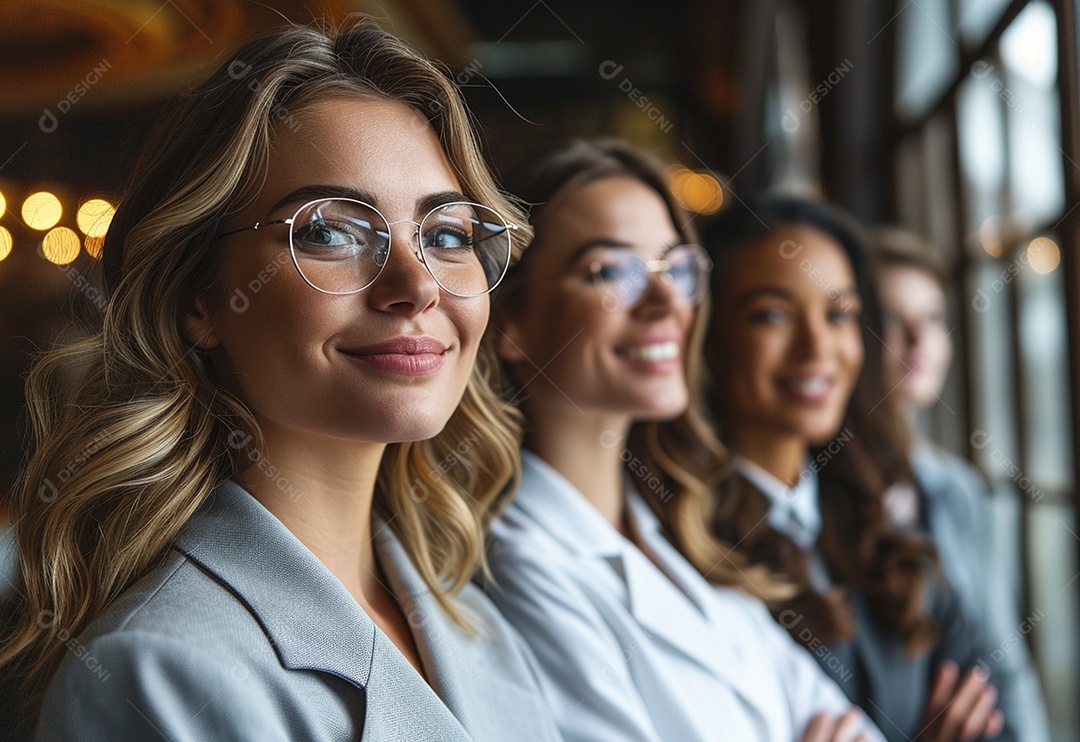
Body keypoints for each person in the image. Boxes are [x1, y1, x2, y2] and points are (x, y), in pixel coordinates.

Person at [0, 20, 564, 742]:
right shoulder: (156, 675)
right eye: (329, 231)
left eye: (446, 234)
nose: (417, 285)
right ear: (197, 301)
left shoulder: (475, 625)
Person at [486, 139, 884, 742]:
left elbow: (845, 722)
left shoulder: (676, 527)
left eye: (676, 269)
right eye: (610, 271)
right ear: (509, 321)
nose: (668, 300)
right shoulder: (518, 563)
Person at [702, 193, 1016, 742]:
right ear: (708, 334)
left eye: (839, 314)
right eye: (772, 314)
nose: (818, 346)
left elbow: (993, 711)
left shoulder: (886, 520)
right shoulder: (688, 544)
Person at [872, 227, 1050, 742]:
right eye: (891, 318)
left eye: (932, 318)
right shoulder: (819, 489)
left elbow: (1005, 661)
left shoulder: (957, 487)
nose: (918, 340)